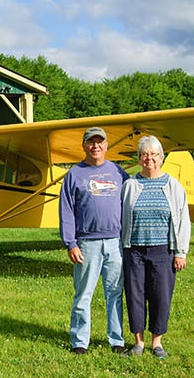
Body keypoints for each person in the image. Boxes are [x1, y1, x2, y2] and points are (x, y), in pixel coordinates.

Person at [59, 127, 129, 355]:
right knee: (83, 295)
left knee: (115, 293)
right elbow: (67, 210)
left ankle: (117, 340)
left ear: (107, 146)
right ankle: (80, 342)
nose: (95, 146)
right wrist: (71, 242)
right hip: (87, 243)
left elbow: (130, 202)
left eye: (100, 142)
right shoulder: (74, 174)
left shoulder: (118, 172)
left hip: (115, 242)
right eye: (91, 142)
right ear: (84, 146)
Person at [121, 136, 190, 358]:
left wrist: (180, 252)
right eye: (144, 154)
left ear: (161, 157)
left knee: (160, 296)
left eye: (154, 154)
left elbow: (182, 219)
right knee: (135, 295)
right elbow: (120, 217)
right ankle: (138, 342)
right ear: (139, 158)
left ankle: (157, 342)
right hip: (134, 250)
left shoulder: (173, 186)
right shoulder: (130, 185)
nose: (149, 158)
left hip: (163, 250)